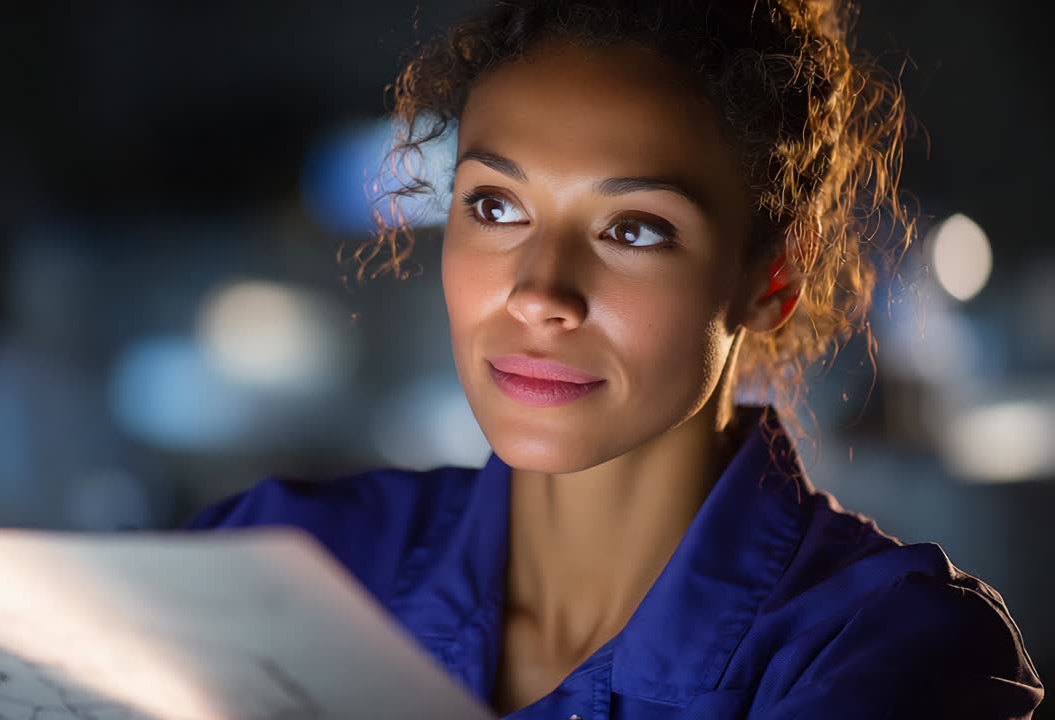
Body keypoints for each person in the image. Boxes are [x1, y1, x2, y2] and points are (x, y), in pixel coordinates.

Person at [187, 0, 1044, 717]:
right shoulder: (280, 561)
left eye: (635, 229)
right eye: (494, 206)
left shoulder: (888, 654)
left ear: (773, 277)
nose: (540, 293)